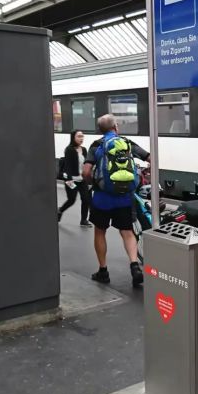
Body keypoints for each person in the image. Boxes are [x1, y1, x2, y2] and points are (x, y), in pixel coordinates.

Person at [82, 114, 150, 287]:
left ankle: (103, 271)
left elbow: (86, 172)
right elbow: (149, 157)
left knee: (100, 231)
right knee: (127, 232)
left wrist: (94, 183)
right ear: (116, 127)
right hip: (125, 198)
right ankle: (135, 266)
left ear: (100, 130)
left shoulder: (96, 145)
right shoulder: (126, 143)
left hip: (102, 198)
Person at [58, 129, 93, 227]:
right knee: (71, 200)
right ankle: (60, 210)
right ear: (73, 137)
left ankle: (83, 220)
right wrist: (68, 180)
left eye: (82, 136)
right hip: (71, 180)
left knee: (86, 199)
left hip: (82, 180)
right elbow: (68, 166)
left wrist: (89, 177)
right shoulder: (69, 150)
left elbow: (86, 164)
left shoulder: (84, 149)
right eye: (79, 136)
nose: (81, 138)